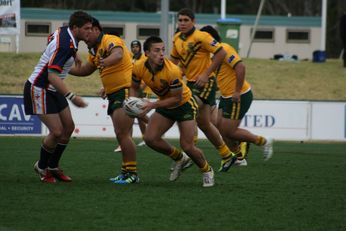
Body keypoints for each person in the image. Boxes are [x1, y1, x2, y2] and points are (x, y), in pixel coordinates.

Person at [131, 36, 214, 187]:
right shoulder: (138, 66)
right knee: (150, 138)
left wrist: (152, 105)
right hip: (164, 104)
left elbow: (176, 99)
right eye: (157, 50)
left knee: (188, 146)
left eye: (163, 50)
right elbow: (134, 87)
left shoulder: (173, 71)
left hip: (184, 105)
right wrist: (131, 102)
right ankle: (179, 158)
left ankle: (207, 170)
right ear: (147, 53)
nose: (161, 53)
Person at [23, 11, 93, 183]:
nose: (90, 32)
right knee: (57, 131)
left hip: (53, 89)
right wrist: (72, 96)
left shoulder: (65, 32)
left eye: (91, 28)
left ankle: (53, 167)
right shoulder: (65, 45)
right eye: (86, 28)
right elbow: (52, 75)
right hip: (39, 87)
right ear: (75, 28)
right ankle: (42, 167)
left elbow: (51, 37)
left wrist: (74, 53)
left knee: (68, 127)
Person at [69, 17, 138, 184]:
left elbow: (118, 54)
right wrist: (62, 70)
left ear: (97, 30)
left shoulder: (109, 40)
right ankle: (126, 171)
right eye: (84, 30)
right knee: (121, 134)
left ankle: (132, 174)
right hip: (114, 94)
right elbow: (85, 70)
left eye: (88, 30)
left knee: (123, 134)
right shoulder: (94, 50)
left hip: (124, 91)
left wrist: (104, 61)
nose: (85, 35)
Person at [170, 8, 236, 172]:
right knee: (204, 123)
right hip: (191, 83)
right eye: (180, 20)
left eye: (186, 20)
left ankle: (188, 152)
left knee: (186, 108)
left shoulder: (202, 37)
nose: (183, 23)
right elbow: (173, 61)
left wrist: (207, 74)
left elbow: (221, 52)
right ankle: (227, 155)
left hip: (205, 83)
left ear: (193, 21)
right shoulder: (177, 39)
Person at [200, 25, 273, 166]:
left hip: (239, 95)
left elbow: (240, 67)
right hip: (226, 96)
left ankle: (263, 141)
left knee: (229, 131)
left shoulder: (225, 49)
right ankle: (239, 158)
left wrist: (237, 91)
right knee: (220, 128)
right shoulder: (212, 56)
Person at [113, 40, 149, 152]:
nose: (135, 49)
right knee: (132, 114)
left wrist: (140, 89)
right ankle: (129, 140)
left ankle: (148, 135)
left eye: (137, 46)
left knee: (139, 116)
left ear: (140, 48)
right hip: (132, 90)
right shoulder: (131, 59)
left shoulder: (144, 60)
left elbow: (147, 77)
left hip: (142, 91)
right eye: (133, 47)